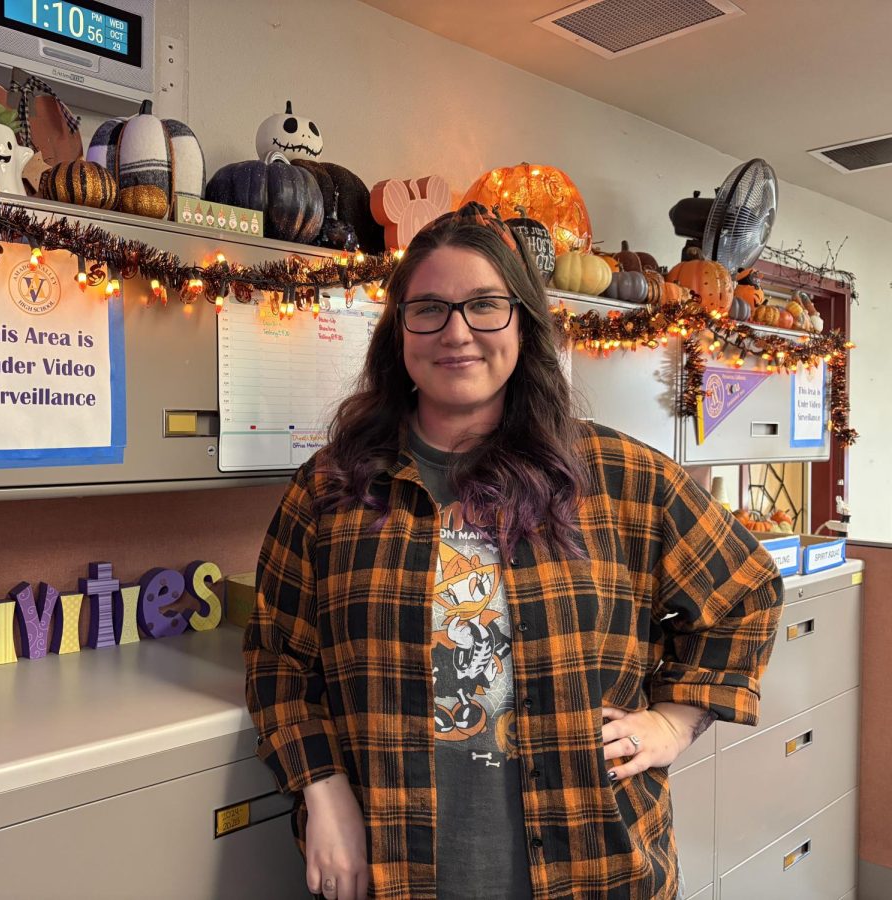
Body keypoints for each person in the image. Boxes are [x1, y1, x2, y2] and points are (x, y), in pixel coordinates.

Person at [243, 202, 783, 900]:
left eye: (485, 306)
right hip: (393, 868)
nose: (457, 332)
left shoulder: (618, 477)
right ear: (399, 330)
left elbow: (748, 592)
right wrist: (323, 789)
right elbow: (276, 664)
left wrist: (673, 722)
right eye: (429, 308)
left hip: (595, 867)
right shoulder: (331, 490)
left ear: (523, 324)